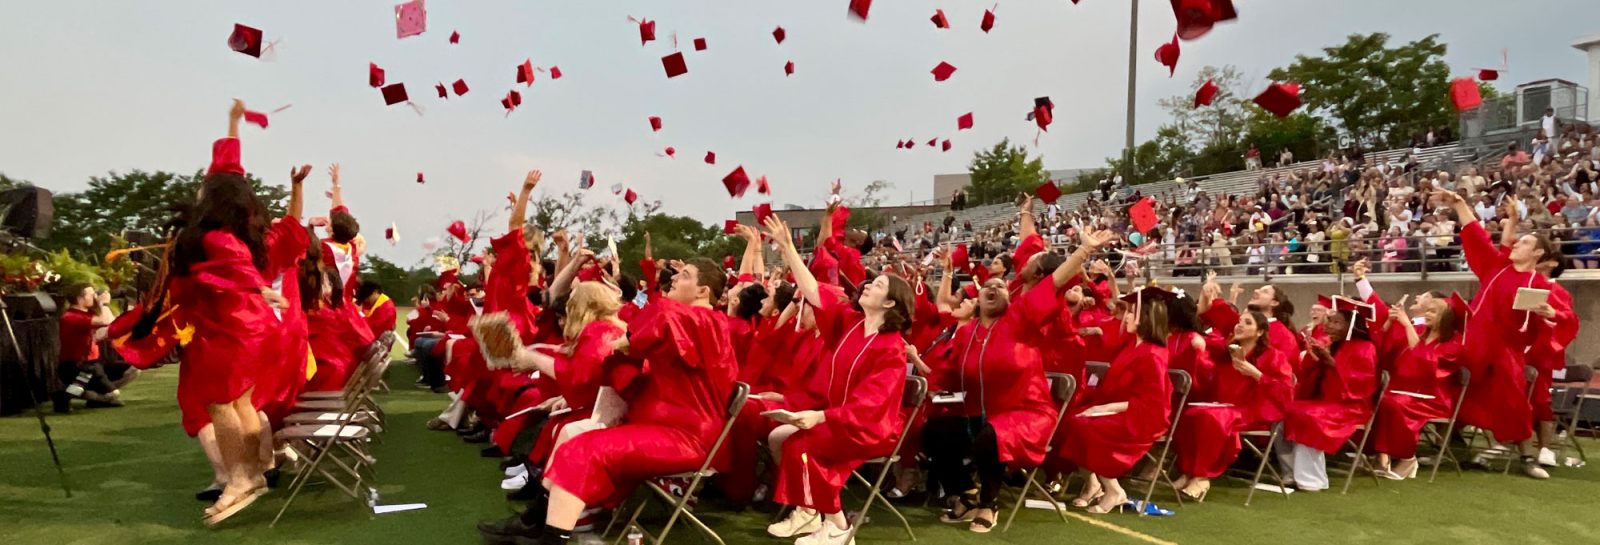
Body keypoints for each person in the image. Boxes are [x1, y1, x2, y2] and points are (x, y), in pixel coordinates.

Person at [478, 255, 736, 545]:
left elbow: (660, 315)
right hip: (666, 428)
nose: (674, 279)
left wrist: (626, 340)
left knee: (584, 448)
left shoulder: (708, 321)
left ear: (703, 291)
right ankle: (536, 523)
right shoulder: (693, 322)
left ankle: (549, 537)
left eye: (685, 275)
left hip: (686, 437)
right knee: (575, 442)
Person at [927, 227, 1114, 532]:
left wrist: (1083, 251)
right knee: (935, 430)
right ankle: (968, 492)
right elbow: (947, 376)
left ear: (1009, 296)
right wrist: (931, 388)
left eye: (1001, 286)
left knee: (991, 435)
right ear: (976, 300)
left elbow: (1053, 282)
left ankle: (989, 503)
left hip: (1026, 413)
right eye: (987, 286)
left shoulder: (1020, 318)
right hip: (977, 413)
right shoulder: (967, 333)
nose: (993, 289)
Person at [166, 99, 288, 524]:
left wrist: (257, 287)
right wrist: (234, 124)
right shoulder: (239, 233)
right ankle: (250, 475)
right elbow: (228, 172)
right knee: (240, 405)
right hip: (247, 329)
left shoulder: (217, 238)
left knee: (220, 406)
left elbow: (231, 272)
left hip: (232, 332)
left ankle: (238, 478)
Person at [760, 212, 914, 545]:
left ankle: (838, 526)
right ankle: (819, 516)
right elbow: (813, 291)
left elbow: (871, 406)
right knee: (789, 442)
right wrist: (787, 249)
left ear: (889, 302)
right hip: (840, 420)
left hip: (870, 427)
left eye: (878, 285)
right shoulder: (852, 322)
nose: (868, 284)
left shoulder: (891, 349)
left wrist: (818, 417)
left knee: (804, 446)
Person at [1436, 188, 1560, 479]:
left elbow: (1542, 324)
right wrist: (1460, 204)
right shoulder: (1497, 269)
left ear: (1538, 253)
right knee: (1448, 385)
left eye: (1525, 242)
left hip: (1505, 350)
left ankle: (1527, 455)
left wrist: (1551, 317)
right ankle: (1450, 443)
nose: (1517, 243)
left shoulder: (1539, 285)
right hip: (1475, 346)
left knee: (1513, 396)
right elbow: (1477, 237)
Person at [1171, 310, 1293, 500]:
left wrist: (1256, 374)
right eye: (1239, 321)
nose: (1239, 325)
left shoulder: (1273, 356)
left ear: (1260, 332)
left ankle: (1202, 477)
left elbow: (1286, 391)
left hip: (1252, 410)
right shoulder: (1226, 352)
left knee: (1211, 417)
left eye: (1247, 322)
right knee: (1190, 414)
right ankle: (1189, 472)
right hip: (1222, 407)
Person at [1278, 298, 1378, 491]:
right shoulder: (1333, 344)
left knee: (1307, 416)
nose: (1329, 326)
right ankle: (1291, 473)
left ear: (1351, 326)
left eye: (1336, 322)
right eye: (1330, 321)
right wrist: (1314, 357)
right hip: (1326, 402)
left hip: (1351, 407)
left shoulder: (1366, 348)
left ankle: (1313, 480)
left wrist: (1331, 362)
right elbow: (1309, 374)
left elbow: (1360, 386)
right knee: (1287, 409)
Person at [1367, 293, 1463, 480]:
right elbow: (1390, 352)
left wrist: (1407, 324)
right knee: (1382, 400)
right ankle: (1383, 458)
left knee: (1394, 403)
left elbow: (1424, 362)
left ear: (1446, 318)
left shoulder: (1454, 343)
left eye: (1433, 312)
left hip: (1434, 398)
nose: (1427, 314)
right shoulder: (1419, 333)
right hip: (1405, 391)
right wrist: (1389, 322)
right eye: (1427, 310)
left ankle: (1407, 458)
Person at [54, 284, 119, 412]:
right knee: (112, 393)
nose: (95, 297)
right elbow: (106, 321)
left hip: (92, 364)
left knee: (131, 370)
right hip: (76, 365)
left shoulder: (88, 315)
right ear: (80, 298)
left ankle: (93, 395)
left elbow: (112, 324)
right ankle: (64, 396)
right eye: (91, 294)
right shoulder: (71, 317)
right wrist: (104, 304)